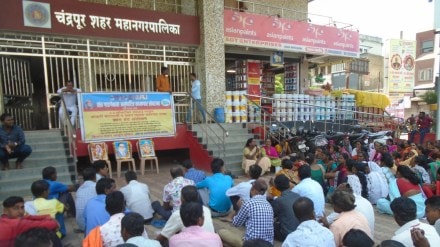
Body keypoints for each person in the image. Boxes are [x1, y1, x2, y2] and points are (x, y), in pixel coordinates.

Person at [218, 178, 274, 246]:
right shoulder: (269, 206)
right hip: (268, 244)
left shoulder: (248, 204)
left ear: (253, 190)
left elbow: (236, 223)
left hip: (251, 244)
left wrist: (239, 208)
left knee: (221, 233)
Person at [271, 174, 300, 241]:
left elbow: (271, 215)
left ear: (276, 186)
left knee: (267, 223)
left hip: (286, 235)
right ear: (288, 184)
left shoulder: (279, 200)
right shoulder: (297, 196)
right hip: (298, 231)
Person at [75, 168, 97, 232]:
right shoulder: (96, 186)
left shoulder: (79, 189)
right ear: (94, 177)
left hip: (81, 224)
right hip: (94, 226)